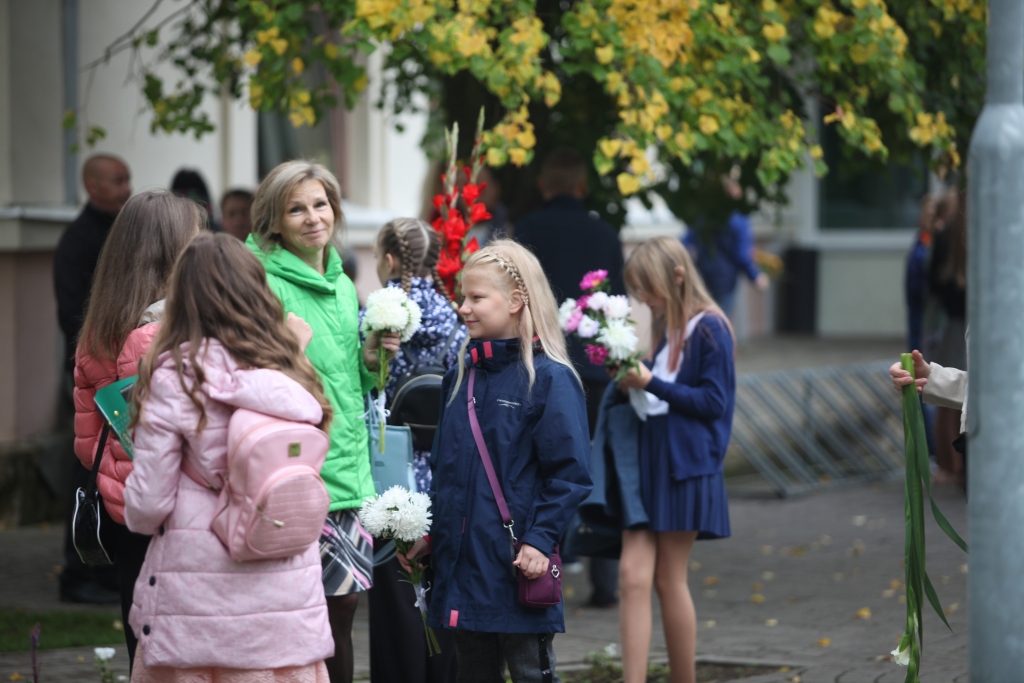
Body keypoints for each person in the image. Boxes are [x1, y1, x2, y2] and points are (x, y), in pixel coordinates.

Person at [123, 233, 334, 682]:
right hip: (286, 590)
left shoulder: (177, 374)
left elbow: (149, 505)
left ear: (184, 297)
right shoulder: (289, 366)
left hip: (199, 604)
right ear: (256, 290)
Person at [401, 240, 593, 683]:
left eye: (476, 298)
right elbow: (448, 472)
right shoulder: (461, 375)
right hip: (462, 565)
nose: (463, 307)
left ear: (515, 301)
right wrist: (433, 533)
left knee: (530, 673)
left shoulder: (549, 378)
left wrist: (540, 541)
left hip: (516, 566)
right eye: (462, 297)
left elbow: (569, 475)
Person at [247, 160, 399, 683]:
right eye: (297, 208)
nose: (314, 218)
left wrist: (373, 354)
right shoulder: (260, 281)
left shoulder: (336, 278)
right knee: (297, 616)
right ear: (274, 220)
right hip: (295, 471)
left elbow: (351, 379)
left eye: (321, 204)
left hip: (349, 471)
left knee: (343, 611)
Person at [73, 191, 204, 670]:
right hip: (175, 512)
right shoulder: (168, 333)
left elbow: (88, 446)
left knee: (143, 646)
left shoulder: (97, 331)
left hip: (123, 510)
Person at [615, 236, 735, 683]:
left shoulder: (710, 328)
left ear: (678, 278)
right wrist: (633, 380)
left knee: (669, 580)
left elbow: (713, 403)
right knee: (632, 575)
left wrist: (648, 382)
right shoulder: (668, 328)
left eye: (648, 288)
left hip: (685, 465)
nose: (643, 299)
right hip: (651, 461)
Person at [514, 147, 624, 607]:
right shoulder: (604, 232)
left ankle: (545, 564)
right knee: (598, 463)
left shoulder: (529, 231)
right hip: (596, 365)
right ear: (582, 187)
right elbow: (614, 297)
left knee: (543, 464)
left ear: (542, 186)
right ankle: (605, 581)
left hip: (543, 363)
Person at [365, 218, 465, 683]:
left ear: (388, 260)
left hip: (391, 474)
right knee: (442, 595)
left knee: (395, 599)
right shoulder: (455, 316)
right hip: (441, 472)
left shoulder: (381, 317)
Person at [54, 152, 132, 605]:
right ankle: (79, 564)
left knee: (110, 465)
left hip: (113, 371)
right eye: (118, 180)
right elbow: (73, 316)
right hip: (95, 374)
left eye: (127, 179)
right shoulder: (79, 241)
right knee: (87, 467)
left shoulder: (114, 234)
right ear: (92, 185)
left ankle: (102, 562)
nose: (126, 188)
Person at [682, 176, 769, 318]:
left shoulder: (704, 214)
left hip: (701, 276)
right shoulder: (739, 216)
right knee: (720, 323)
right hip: (725, 279)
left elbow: (686, 241)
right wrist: (756, 276)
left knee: (701, 321)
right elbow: (742, 254)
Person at [927, 189, 967, 484]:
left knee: (947, 406)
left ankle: (950, 466)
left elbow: (933, 283)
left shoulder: (948, 235)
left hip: (955, 319)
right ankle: (955, 466)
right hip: (964, 320)